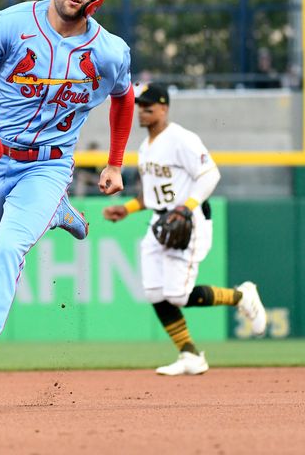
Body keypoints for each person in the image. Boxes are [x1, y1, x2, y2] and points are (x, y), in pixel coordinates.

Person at [0, 0, 134, 401]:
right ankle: (59, 213)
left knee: (10, 249)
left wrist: (116, 161)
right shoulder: (13, 24)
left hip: (49, 164)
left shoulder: (108, 51)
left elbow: (124, 98)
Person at [102, 83, 267, 376]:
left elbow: (210, 175)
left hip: (189, 221)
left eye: (148, 106)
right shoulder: (145, 146)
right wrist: (126, 209)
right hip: (160, 221)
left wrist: (185, 207)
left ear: (164, 108)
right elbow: (154, 194)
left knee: (177, 296)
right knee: (155, 293)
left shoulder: (181, 139)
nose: (142, 111)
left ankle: (241, 296)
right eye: (139, 106)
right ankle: (189, 354)